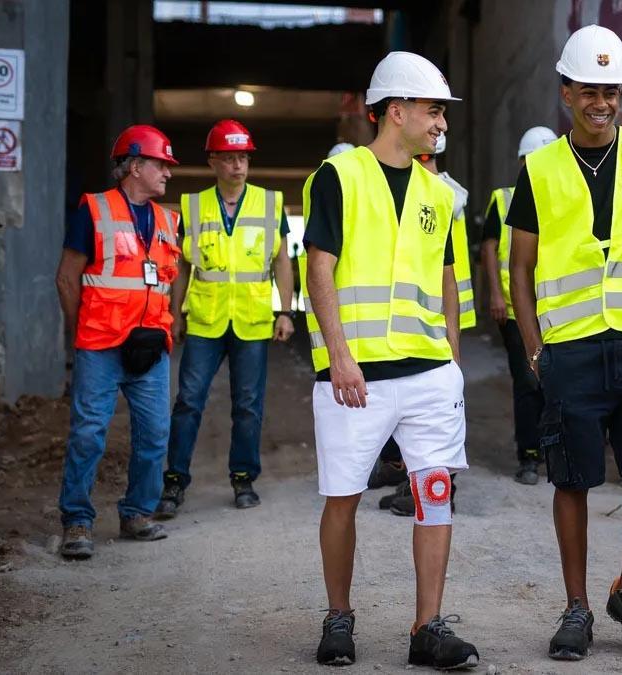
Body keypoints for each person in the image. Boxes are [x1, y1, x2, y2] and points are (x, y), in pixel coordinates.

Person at [508, 25, 622, 660]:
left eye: (612, 91)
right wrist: (535, 348)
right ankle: (577, 607)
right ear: (566, 94)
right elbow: (520, 268)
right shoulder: (540, 168)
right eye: (590, 90)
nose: (602, 103)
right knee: (573, 479)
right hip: (574, 346)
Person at [302, 51, 479, 669]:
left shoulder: (441, 192)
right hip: (356, 377)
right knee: (343, 496)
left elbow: (449, 280)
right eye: (433, 110)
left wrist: (452, 362)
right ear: (396, 111)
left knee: (435, 493)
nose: (441, 122)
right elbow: (316, 270)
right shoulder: (340, 176)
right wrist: (339, 357)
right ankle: (339, 617)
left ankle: (427, 627)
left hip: (428, 374)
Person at [53, 125, 182, 559]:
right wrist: (80, 331)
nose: (166, 172)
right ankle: (77, 520)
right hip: (102, 345)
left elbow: (165, 283)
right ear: (133, 166)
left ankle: (137, 513)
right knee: (89, 433)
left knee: (154, 434)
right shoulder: (93, 209)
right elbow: (67, 278)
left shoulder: (167, 220)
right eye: (159, 163)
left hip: (150, 348)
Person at [155, 119, 294, 518]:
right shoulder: (193, 205)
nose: (238, 166)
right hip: (204, 319)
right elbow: (182, 266)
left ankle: (243, 479)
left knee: (248, 406)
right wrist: (175, 312)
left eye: (243, 158)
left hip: (251, 320)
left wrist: (283, 311)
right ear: (213, 161)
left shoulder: (270, 203)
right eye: (229, 158)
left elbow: (283, 261)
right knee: (188, 403)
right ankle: (175, 482)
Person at [377, 133, 475, 516]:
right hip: (426, 315)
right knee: (422, 412)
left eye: (422, 158)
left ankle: (439, 489)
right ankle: (412, 486)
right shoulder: (436, 193)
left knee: (439, 411)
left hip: (439, 316)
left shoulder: (442, 196)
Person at [481, 126, 557, 485]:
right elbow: (489, 248)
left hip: (560, 307)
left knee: (560, 383)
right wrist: (496, 293)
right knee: (528, 381)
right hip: (516, 308)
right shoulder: (505, 198)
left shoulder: (564, 195)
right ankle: (529, 455)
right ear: (523, 162)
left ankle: (557, 451)